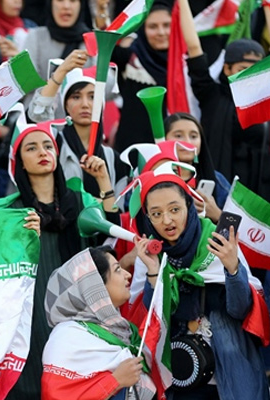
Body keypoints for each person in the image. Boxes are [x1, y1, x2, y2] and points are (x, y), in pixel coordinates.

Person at [0, 115, 119, 399]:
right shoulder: (10, 213)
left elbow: (112, 237)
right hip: (29, 314)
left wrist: (103, 180)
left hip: (81, 312)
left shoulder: (82, 203)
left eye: (47, 146)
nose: (42, 152)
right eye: (31, 148)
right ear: (18, 161)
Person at [132, 165, 269, 399]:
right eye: (156, 214)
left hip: (228, 371)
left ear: (188, 204)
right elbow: (150, 323)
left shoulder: (218, 241)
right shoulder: (149, 254)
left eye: (174, 209)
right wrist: (154, 272)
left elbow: (242, 310)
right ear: (147, 217)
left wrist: (232, 268)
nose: (167, 220)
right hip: (180, 374)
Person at [178, 0, 270, 202]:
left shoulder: (264, 105)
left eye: (255, 72)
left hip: (259, 196)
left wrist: (267, 5)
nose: (249, 78)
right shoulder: (211, 95)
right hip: (216, 194)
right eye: (242, 70)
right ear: (227, 69)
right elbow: (193, 47)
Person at [41, 247, 156, 400]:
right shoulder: (66, 339)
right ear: (95, 287)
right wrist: (115, 381)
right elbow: (54, 395)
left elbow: (150, 324)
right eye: (117, 270)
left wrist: (153, 270)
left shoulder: (119, 328)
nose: (127, 275)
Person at [28, 60, 129, 201]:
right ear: (66, 105)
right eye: (76, 97)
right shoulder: (52, 145)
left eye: (92, 97)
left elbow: (118, 212)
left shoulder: (114, 159)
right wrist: (61, 72)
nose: (85, 104)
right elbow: (37, 115)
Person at [111, 3, 171, 152]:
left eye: (167, 25)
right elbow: (107, 42)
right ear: (143, 29)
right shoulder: (129, 57)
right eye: (153, 27)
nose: (161, 32)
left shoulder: (185, 60)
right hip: (132, 148)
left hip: (173, 146)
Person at [164, 112, 231, 223]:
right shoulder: (146, 177)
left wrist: (217, 214)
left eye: (194, 136)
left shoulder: (217, 180)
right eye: (178, 136)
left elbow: (238, 230)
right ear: (163, 139)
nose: (188, 142)